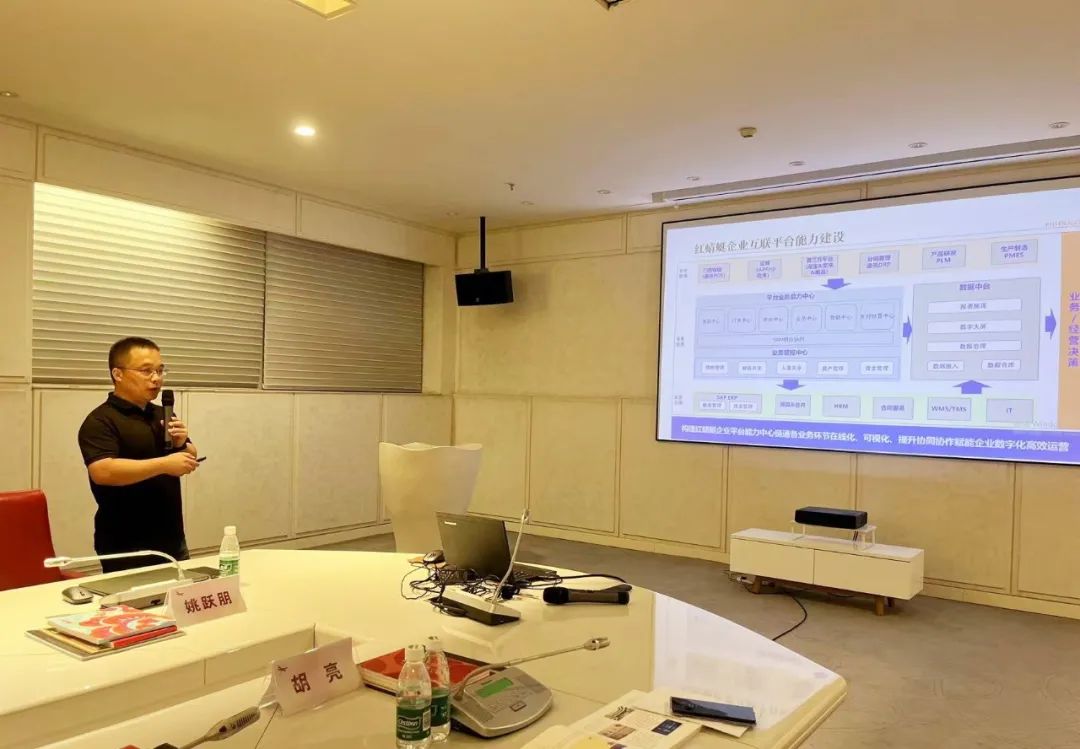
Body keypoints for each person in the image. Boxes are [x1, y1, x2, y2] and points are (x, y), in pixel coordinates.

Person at [77, 337, 200, 572]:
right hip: (125, 543)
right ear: (118, 374)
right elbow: (103, 471)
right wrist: (164, 464)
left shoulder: (162, 413)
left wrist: (182, 443)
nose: (156, 378)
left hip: (171, 537)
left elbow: (189, 454)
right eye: (146, 371)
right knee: (132, 597)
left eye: (160, 370)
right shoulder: (101, 421)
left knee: (178, 593)